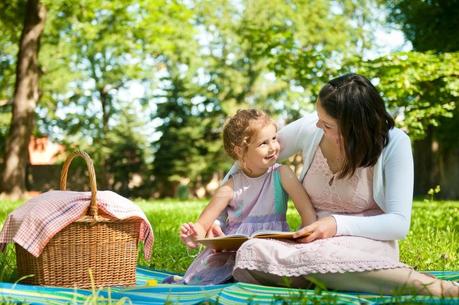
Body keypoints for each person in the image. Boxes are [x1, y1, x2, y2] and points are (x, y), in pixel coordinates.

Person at [219, 74, 458, 297]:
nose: (317, 126)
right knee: (250, 252)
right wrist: (218, 221)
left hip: (365, 242)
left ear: (354, 126)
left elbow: (398, 224)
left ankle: (439, 288)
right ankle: (342, 277)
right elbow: (248, 160)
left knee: (320, 258)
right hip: (308, 245)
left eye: (328, 125)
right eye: (319, 119)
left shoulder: (395, 143)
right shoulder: (313, 127)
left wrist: (335, 224)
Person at [179, 109, 317, 285]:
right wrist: (193, 235)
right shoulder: (231, 186)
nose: (274, 147)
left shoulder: (282, 174)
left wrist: (306, 241)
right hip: (234, 254)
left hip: (272, 248)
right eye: (263, 143)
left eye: (274, 138)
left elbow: (308, 213)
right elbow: (203, 224)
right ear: (240, 151)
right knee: (210, 276)